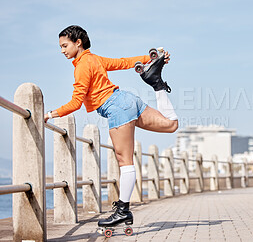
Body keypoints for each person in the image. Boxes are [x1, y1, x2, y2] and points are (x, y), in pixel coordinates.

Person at [44, 25, 178, 228]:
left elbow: (76, 102)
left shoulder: (82, 66)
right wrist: (152, 57)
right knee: (171, 125)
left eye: (64, 46)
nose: (62, 50)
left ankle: (123, 211)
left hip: (116, 108)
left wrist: (50, 114)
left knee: (125, 161)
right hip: (127, 99)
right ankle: (158, 85)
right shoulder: (94, 58)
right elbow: (124, 62)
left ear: (77, 42)